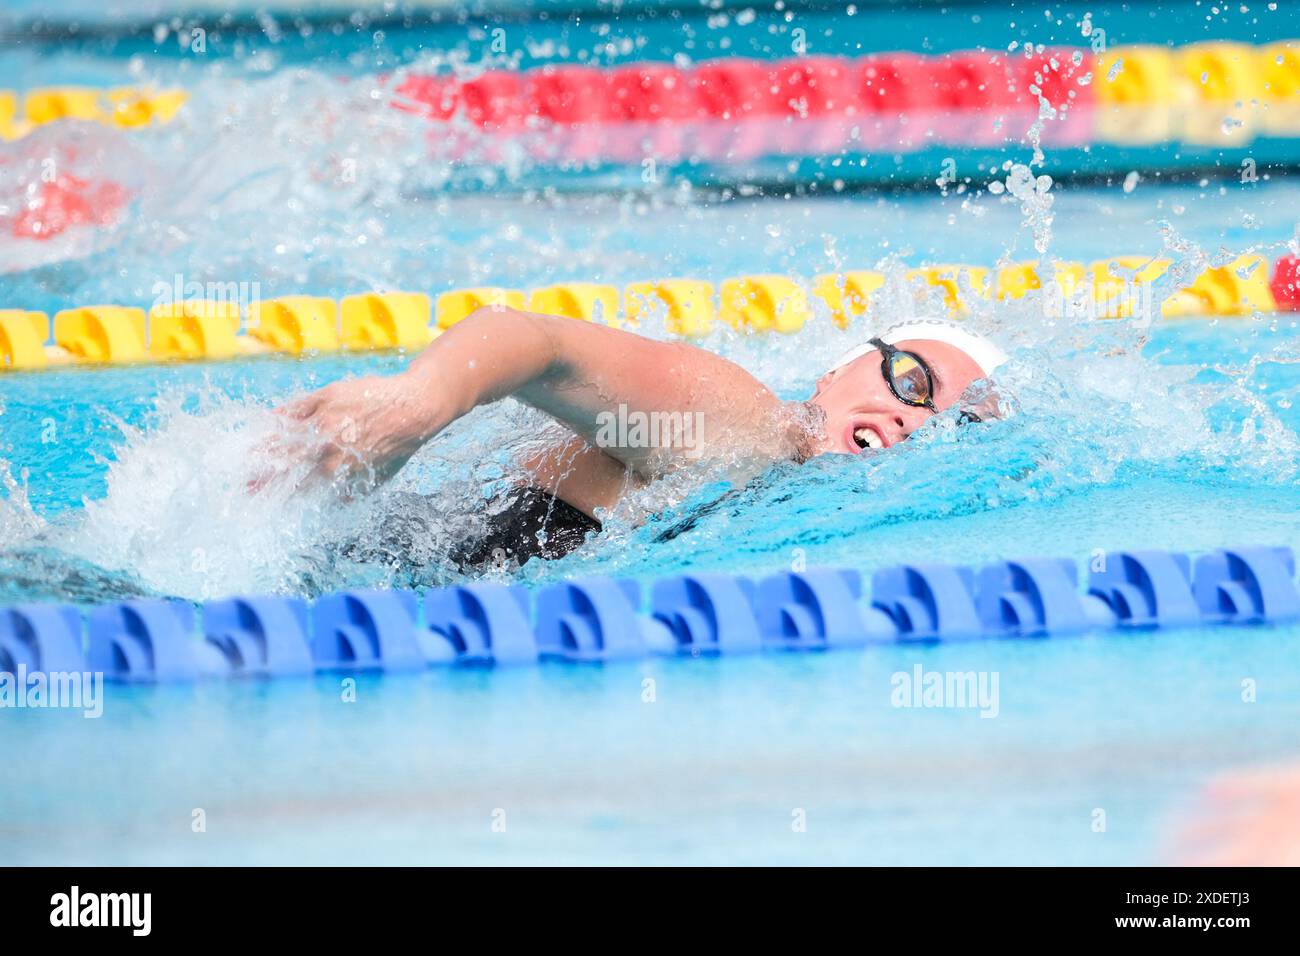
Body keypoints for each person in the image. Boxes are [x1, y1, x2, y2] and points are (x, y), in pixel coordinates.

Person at [268, 304, 1007, 566]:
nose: (916, 417)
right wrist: (416, 403)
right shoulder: (752, 428)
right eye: (913, 382)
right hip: (349, 574)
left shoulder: (798, 502)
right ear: (837, 373)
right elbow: (534, 342)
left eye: (954, 427)